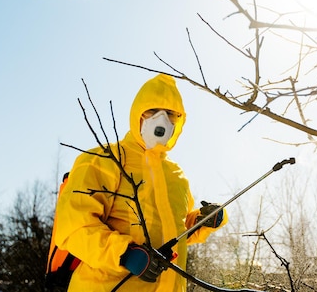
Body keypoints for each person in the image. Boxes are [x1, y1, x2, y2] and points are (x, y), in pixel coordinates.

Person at [54, 73, 227, 292]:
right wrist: (124, 254)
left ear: (179, 120)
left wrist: (204, 220)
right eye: (153, 110)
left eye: (171, 114)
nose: (162, 119)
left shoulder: (176, 176)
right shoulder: (104, 159)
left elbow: (175, 232)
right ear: (138, 114)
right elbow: (75, 226)